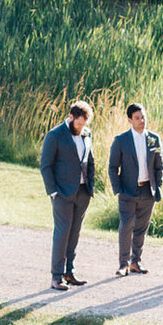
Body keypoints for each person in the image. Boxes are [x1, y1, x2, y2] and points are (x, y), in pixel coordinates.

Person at [38, 99, 97, 290]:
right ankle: (56, 277)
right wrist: (53, 192)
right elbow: (45, 166)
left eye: (84, 124)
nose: (82, 127)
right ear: (71, 117)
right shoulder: (54, 135)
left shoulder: (86, 134)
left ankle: (69, 273)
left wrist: (90, 187)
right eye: (79, 123)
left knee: (74, 233)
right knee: (62, 233)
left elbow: (90, 162)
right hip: (62, 193)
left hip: (82, 192)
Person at [106, 102, 163, 276]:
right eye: (137, 118)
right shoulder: (121, 140)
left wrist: (158, 186)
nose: (141, 121)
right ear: (129, 120)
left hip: (148, 191)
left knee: (141, 227)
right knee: (126, 226)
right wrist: (118, 189)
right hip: (128, 191)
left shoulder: (154, 139)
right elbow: (112, 167)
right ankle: (123, 264)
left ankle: (135, 262)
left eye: (143, 117)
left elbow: (159, 166)